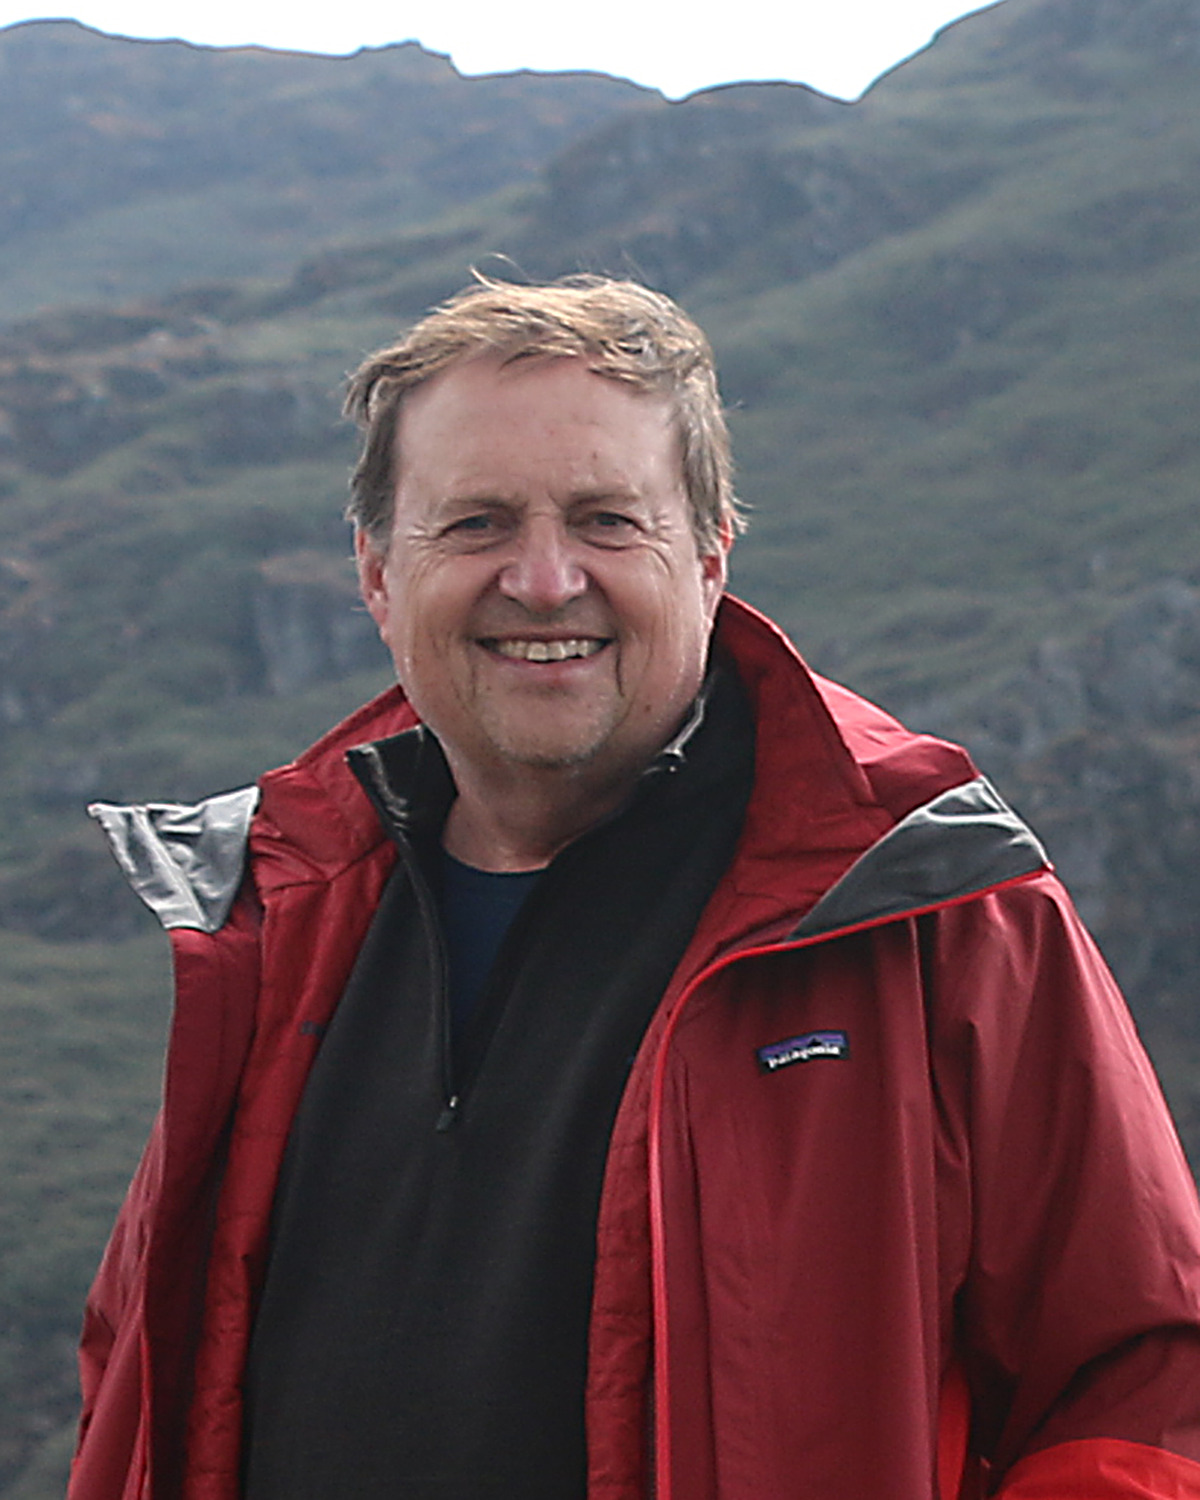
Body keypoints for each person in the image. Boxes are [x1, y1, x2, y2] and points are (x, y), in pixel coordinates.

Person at [72, 275, 1200, 1500]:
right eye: (476, 524)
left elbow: (1147, 1386)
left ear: (711, 554)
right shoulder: (276, 917)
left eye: (609, 521)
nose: (546, 581)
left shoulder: (926, 906)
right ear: (378, 574)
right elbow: (134, 1383)